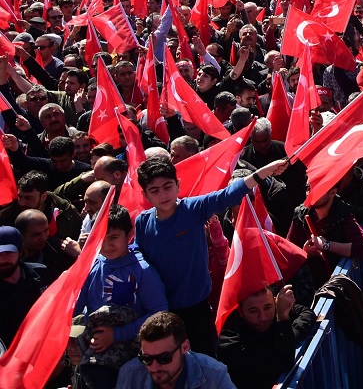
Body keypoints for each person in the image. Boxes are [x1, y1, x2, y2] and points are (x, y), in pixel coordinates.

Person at [134, 154, 289, 356]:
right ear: (145, 195)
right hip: (159, 309)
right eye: (154, 190)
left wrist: (263, 172)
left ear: (178, 185)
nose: (163, 194)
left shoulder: (193, 209)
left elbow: (227, 195)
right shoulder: (142, 222)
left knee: (202, 357)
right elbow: (138, 254)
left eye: (167, 187)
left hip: (196, 308)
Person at [74, 205, 169, 389]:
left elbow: (159, 313)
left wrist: (117, 335)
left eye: (114, 237)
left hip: (133, 348)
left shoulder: (143, 271)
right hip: (95, 345)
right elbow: (76, 305)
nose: (107, 245)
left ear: (130, 234)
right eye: (102, 238)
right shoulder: (93, 265)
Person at [216, 286, 316, 389]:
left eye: (268, 307)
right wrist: (283, 321)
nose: (263, 317)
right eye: (253, 311)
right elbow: (283, 360)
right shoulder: (229, 341)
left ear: (275, 303)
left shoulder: (277, 310)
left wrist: (289, 334)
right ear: (240, 312)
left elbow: (306, 313)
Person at [114, 311, 234, 389]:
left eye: (164, 358)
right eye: (146, 359)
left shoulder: (214, 375)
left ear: (185, 347)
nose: (154, 367)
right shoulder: (129, 374)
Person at [0, 224, 47, 349]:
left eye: (8, 253)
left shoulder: (41, 275)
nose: (3, 260)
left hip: (39, 349)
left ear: (20, 252)